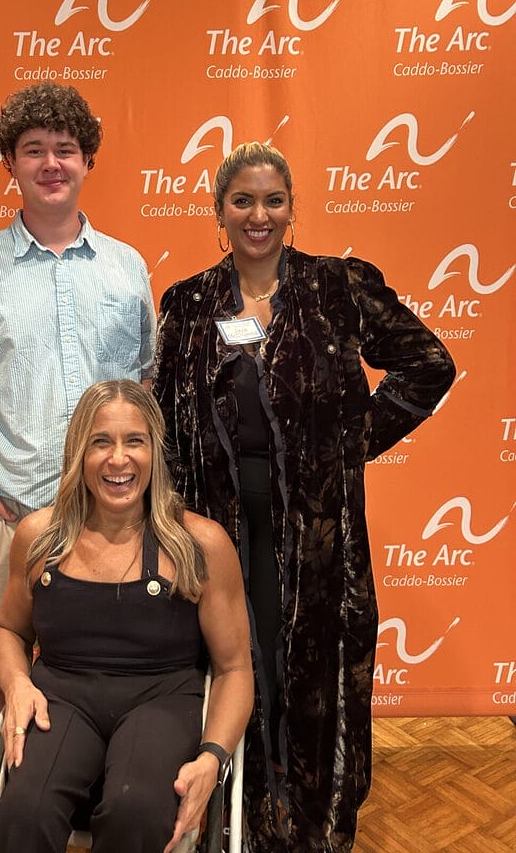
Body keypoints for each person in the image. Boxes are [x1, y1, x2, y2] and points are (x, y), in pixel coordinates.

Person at [152, 142, 456, 852]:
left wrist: (351, 443)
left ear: (292, 209)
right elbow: (163, 416)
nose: (258, 215)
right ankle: (237, 817)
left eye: (273, 200)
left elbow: (429, 364)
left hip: (320, 533)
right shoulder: (188, 303)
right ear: (220, 211)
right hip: (220, 530)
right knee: (239, 661)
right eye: (242, 200)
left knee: (315, 671)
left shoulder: (337, 287)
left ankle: (312, 822)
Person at [0, 84, 156, 853]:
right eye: (34, 151)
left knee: (108, 669)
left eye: (65, 150)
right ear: (10, 164)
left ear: (87, 162)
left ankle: (81, 802)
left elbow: (145, 386)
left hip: (112, 519)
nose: (52, 164)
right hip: (9, 510)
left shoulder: (127, 266)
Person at [0, 380, 254, 853]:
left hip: (162, 700)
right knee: (23, 812)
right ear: (78, 452)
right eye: (100, 442)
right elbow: (9, 630)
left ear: (154, 450)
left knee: (137, 810)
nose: (118, 459)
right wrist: (16, 684)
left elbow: (234, 669)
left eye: (134, 441)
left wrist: (213, 758)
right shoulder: (40, 537)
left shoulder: (200, 544)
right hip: (61, 698)